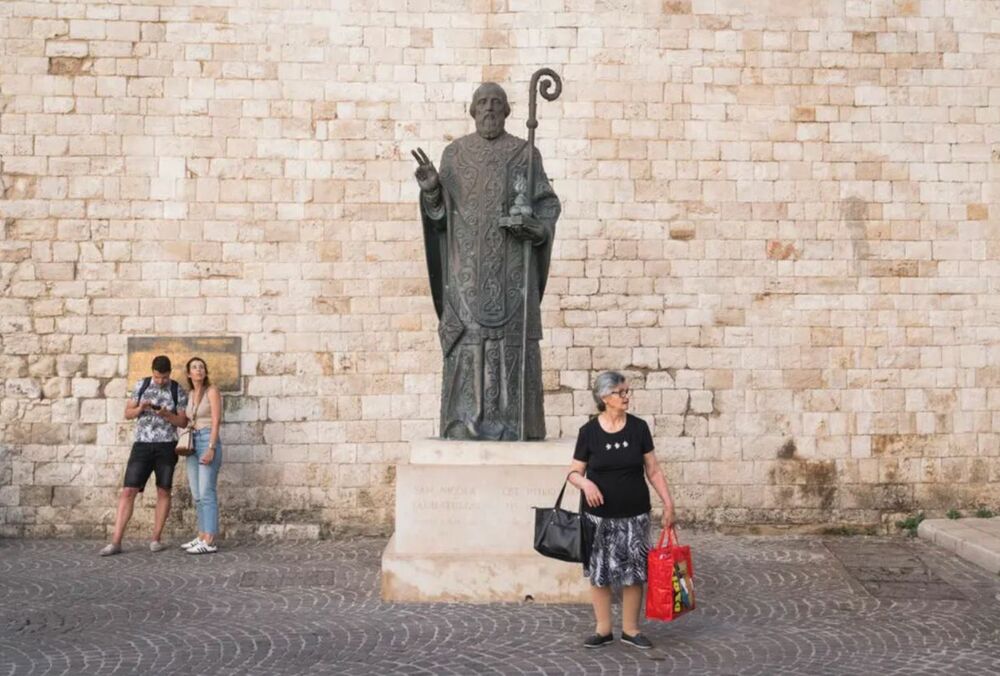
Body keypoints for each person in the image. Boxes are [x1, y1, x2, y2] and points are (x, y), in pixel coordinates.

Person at [412, 81, 561, 440]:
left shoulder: (526, 153)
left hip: (512, 274)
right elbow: (440, 219)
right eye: (483, 103)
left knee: (509, 345)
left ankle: (515, 424)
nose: (490, 109)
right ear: (473, 111)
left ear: (508, 111)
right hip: (467, 277)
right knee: (469, 344)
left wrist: (536, 229)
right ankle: (462, 422)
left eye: (497, 103)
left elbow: (548, 205)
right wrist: (432, 190)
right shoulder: (455, 155)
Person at [567, 371, 676, 649]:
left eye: (627, 391)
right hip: (598, 518)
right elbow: (573, 472)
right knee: (600, 572)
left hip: (635, 514)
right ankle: (603, 630)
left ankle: (631, 629)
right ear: (605, 397)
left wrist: (668, 503)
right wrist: (586, 484)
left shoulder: (638, 428)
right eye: (621, 392)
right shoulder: (588, 432)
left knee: (634, 572)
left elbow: (653, 470)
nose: (626, 397)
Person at [100, 355, 188, 556]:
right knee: (128, 491)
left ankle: (156, 539)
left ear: (169, 373)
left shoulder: (177, 390)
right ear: (152, 372)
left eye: (164, 377)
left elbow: (183, 422)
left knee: (163, 491)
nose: (161, 381)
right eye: (157, 377)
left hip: (167, 446)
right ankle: (115, 542)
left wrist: (167, 415)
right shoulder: (142, 385)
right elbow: (127, 413)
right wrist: (140, 408)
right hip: (142, 446)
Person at [179, 357, 223, 555]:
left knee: (207, 491)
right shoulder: (191, 393)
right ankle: (202, 535)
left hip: (207, 440)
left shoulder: (211, 391)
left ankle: (210, 540)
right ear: (188, 374)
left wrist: (212, 447)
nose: (198, 370)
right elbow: (189, 419)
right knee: (197, 494)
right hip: (193, 442)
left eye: (201, 367)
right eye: (194, 368)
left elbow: (215, 421)